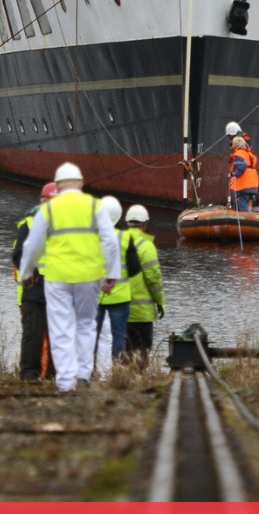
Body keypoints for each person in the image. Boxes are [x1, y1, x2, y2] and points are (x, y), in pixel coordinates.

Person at [17, 163, 121, 391]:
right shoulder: (95, 206)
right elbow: (111, 243)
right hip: (89, 275)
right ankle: (83, 374)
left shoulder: (49, 210)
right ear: (81, 184)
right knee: (85, 324)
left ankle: (64, 382)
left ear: (60, 185)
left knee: (60, 328)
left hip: (58, 277)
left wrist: (25, 274)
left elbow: (32, 246)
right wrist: (112, 274)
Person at [13, 182, 59, 381]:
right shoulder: (33, 224)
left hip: (47, 285)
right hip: (48, 286)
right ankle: (41, 374)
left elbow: (18, 255)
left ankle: (41, 374)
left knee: (45, 333)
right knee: (45, 333)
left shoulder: (32, 224)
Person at [124, 204, 165, 369]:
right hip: (143, 313)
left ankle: (123, 378)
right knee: (141, 352)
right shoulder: (147, 247)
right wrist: (160, 302)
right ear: (145, 224)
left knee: (125, 351)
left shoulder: (118, 240)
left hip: (121, 309)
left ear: (127, 222)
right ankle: (139, 379)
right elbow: (154, 279)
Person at [94, 196, 130, 378]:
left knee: (91, 334)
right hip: (120, 296)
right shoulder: (125, 238)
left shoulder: (92, 239)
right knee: (119, 336)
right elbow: (135, 267)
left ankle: (88, 373)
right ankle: (118, 373)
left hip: (96, 295)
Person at [229, 136, 259, 212]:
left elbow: (242, 165)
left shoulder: (239, 154)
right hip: (252, 183)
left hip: (243, 185)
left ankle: (243, 221)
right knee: (245, 203)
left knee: (242, 206)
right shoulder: (249, 154)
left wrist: (234, 174)